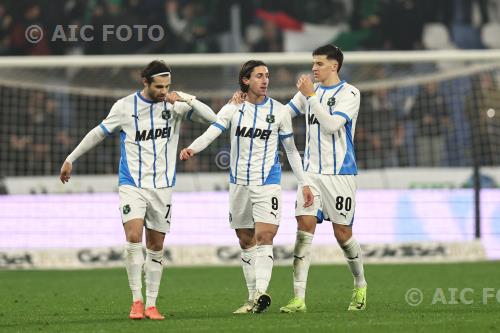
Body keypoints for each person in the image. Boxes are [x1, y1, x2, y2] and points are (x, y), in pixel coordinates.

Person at [59, 60, 216, 320]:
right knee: (133, 237)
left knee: (156, 245)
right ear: (145, 82)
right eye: (158, 86)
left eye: (167, 86)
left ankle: (152, 304)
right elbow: (98, 133)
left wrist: (186, 99)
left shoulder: (174, 105)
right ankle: (136, 301)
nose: (163, 91)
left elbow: (214, 119)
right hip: (132, 183)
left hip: (163, 186)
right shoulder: (124, 107)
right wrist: (70, 158)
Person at [179, 60, 313, 314]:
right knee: (245, 239)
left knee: (266, 236)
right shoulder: (234, 108)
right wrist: (192, 149)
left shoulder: (280, 111)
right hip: (239, 183)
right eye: (259, 76)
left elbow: (292, 151)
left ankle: (262, 292)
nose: (265, 80)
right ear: (246, 80)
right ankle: (252, 298)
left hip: (268, 184)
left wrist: (304, 182)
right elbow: (213, 131)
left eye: (267, 76)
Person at [280, 44, 367, 313]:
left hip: (340, 174)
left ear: (334, 66)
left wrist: (311, 97)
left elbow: (330, 126)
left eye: (319, 64)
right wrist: (251, 107)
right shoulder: (309, 92)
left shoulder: (351, 93)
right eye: (313, 63)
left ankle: (360, 285)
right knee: (304, 231)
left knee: (343, 235)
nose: (314, 68)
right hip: (311, 175)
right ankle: (298, 298)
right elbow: (283, 114)